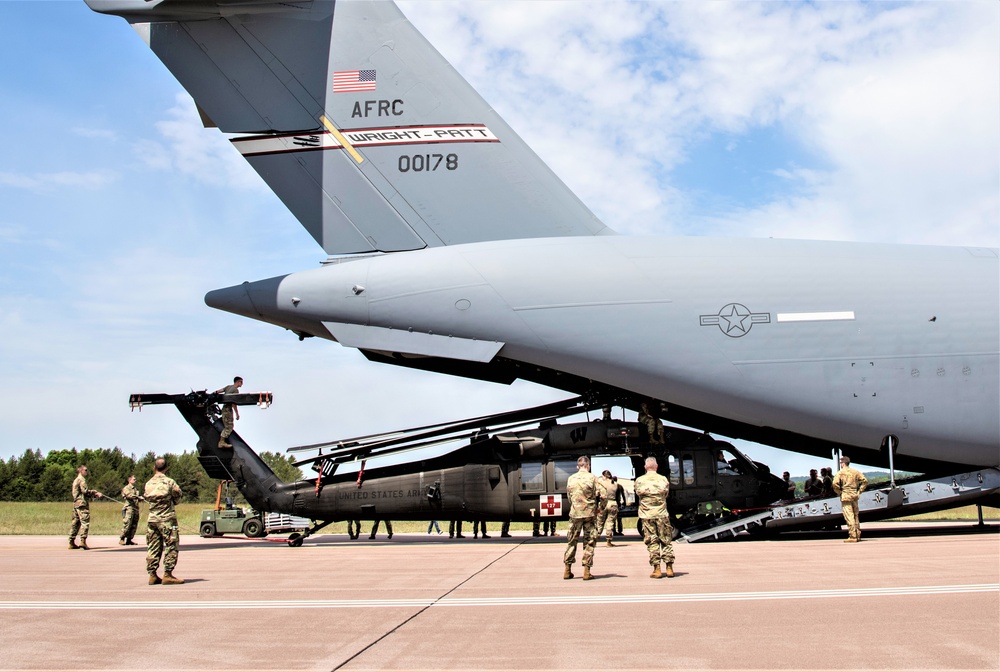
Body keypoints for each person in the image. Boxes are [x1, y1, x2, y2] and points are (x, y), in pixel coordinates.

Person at [144, 457, 183, 584]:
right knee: (171, 545)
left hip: (152, 519)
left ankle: (152, 574)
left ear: (154, 467)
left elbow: (147, 498)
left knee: (153, 547)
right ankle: (168, 574)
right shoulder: (169, 482)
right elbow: (177, 496)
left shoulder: (148, 483)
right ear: (166, 468)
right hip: (167, 519)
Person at [562, 455, 602, 580]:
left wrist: (576, 506)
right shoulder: (593, 478)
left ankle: (567, 570)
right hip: (589, 514)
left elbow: (569, 496)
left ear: (577, 467)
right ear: (588, 466)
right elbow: (601, 495)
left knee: (571, 541)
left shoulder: (571, 479)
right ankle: (586, 571)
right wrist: (598, 507)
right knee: (589, 541)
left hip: (575, 513)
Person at [634, 456, 675, 579]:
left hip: (647, 516)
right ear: (656, 467)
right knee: (666, 540)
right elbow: (666, 494)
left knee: (652, 541)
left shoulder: (639, 480)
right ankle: (669, 568)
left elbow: (638, 494)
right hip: (662, 514)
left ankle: (657, 569)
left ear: (645, 467)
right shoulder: (663, 480)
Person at [832, 456, 869, 542]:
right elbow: (865, 481)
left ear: (843, 463)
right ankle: (858, 534)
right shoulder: (855, 472)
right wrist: (859, 491)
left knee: (849, 516)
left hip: (846, 496)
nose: (840, 464)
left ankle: (852, 536)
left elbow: (834, 484)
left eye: (841, 463)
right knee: (856, 516)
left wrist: (839, 492)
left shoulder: (840, 473)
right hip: (854, 495)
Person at [68, 465, 103, 550]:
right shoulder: (81, 480)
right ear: (81, 471)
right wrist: (95, 493)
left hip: (76, 504)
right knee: (85, 522)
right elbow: (85, 491)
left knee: (75, 523)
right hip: (82, 504)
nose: (87, 472)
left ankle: (71, 542)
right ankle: (83, 541)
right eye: (85, 470)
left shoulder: (76, 480)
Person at [215, 376, 243, 448]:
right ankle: (221, 442)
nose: (242, 384)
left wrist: (213, 394)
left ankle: (222, 441)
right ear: (237, 382)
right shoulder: (235, 390)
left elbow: (220, 391)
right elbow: (234, 403)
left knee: (227, 425)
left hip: (224, 409)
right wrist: (237, 414)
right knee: (229, 427)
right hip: (228, 409)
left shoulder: (228, 387)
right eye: (241, 382)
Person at [595, 469, 618, 547]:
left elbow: (596, 494)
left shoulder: (600, 483)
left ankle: (594, 540)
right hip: (613, 504)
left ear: (604, 476)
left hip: (603, 504)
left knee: (599, 523)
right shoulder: (615, 484)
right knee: (610, 522)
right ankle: (608, 541)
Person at [119, 475, 144, 546]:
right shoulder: (126, 488)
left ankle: (129, 539)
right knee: (127, 523)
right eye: (134, 479)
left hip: (135, 508)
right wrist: (138, 497)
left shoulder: (135, 489)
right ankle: (122, 538)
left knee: (134, 524)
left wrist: (140, 498)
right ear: (129, 480)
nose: (135, 480)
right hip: (129, 508)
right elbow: (129, 495)